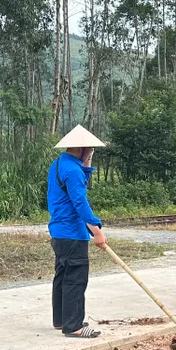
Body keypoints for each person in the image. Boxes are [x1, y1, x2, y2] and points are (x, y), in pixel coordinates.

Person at [49, 124, 108, 339]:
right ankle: (73, 325)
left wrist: (87, 164)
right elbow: (80, 203)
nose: (91, 153)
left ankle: (61, 319)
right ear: (82, 149)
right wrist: (96, 230)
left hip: (59, 232)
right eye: (90, 150)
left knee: (62, 276)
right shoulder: (73, 171)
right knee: (75, 278)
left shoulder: (58, 164)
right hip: (72, 233)